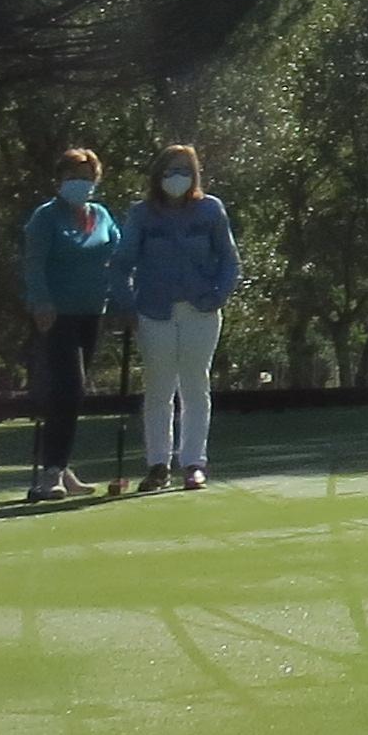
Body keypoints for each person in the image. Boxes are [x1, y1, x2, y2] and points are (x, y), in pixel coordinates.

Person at [121, 142, 242, 493]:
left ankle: (194, 463)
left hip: (200, 310)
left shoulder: (210, 210)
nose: (178, 178)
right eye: (171, 171)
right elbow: (122, 262)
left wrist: (216, 296)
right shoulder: (141, 214)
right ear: (158, 175)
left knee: (195, 387)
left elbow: (229, 261)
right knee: (159, 389)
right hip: (154, 311)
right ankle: (158, 465)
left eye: (185, 171)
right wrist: (128, 304)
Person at [17, 147, 124, 504]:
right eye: (71, 177)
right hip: (56, 314)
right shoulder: (45, 218)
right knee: (69, 388)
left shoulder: (102, 215)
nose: (79, 184)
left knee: (75, 393)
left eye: (85, 177)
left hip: (92, 312)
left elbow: (120, 255)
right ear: (59, 181)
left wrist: (126, 297)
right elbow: (34, 263)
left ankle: (62, 467)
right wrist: (40, 301)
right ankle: (51, 471)